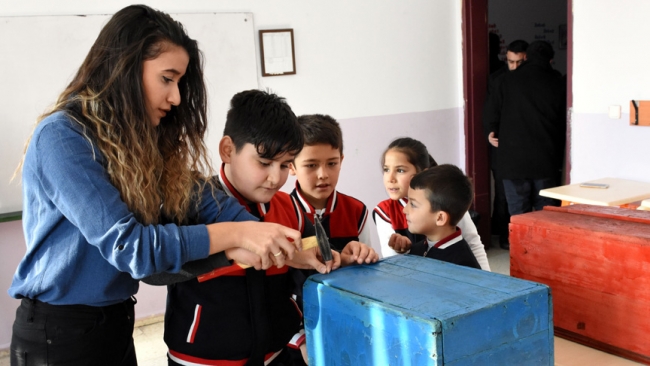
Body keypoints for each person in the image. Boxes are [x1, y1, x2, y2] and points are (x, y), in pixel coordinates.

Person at [8, 6, 306, 366]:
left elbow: (208, 201)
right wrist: (236, 236)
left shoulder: (139, 145)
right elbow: (133, 248)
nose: (177, 97)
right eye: (167, 78)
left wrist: (284, 246)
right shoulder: (62, 137)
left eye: (179, 82)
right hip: (59, 333)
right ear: (126, 67)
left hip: (115, 321)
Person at [144, 90, 339, 366]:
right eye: (263, 162)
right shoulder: (189, 202)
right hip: (200, 358)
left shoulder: (289, 207)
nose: (275, 178)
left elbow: (310, 258)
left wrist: (337, 255)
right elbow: (153, 271)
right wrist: (225, 252)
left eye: (285, 165)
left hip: (276, 354)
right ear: (227, 150)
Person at [372, 137, 490, 270]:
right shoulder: (384, 211)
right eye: (386, 169)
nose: (390, 179)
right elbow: (393, 264)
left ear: (423, 173)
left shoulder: (447, 200)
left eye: (400, 170)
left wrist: (487, 279)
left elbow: (473, 242)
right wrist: (402, 249)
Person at [486, 40, 566, 217]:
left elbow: (492, 114)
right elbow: (563, 123)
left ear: (527, 57)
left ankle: (518, 245)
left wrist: (491, 131)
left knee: (518, 214)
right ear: (550, 60)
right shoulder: (557, 82)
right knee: (544, 215)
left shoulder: (505, 81)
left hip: (513, 161)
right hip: (545, 160)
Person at [482, 39, 528, 250]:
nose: (514, 68)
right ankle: (503, 235)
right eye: (511, 62)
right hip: (502, 145)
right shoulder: (498, 79)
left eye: (519, 63)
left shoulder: (533, 81)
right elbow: (491, 110)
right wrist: (490, 132)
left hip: (526, 146)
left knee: (523, 195)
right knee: (502, 194)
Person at [406, 165, 481, 269]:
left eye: (413, 204)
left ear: (440, 218)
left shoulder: (463, 265)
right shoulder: (418, 248)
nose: (404, 210)